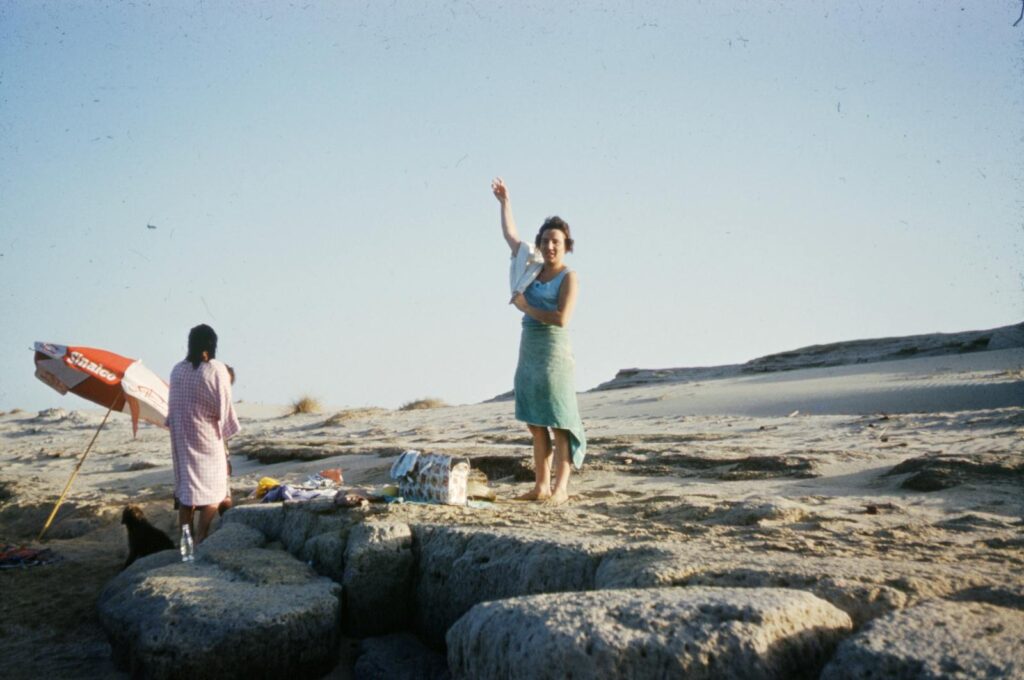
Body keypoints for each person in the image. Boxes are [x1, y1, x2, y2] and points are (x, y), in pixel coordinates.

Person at [492, 177, 587, 505]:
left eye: (556, 242)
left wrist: (527, 307)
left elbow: (562, 318)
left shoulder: (568, 276)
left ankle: (560, 489)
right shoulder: (531, 267)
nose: (550, 246)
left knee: (559, 422)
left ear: (567, 246)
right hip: (529, 348)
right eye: (546, 241)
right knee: (535, 423)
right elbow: (510, 236)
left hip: (554, 351)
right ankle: (541, 486)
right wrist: (505, 202)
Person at [167, 324, 240, 543]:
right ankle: (200, 537)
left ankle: (186, 546)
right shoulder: (216, 369)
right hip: (206, 437)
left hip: (181, 436)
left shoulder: (177, 369)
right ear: (209, 349)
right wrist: (228, 428)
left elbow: (172, 408)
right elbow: (225, 410)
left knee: (187, 493)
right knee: (215, 490)